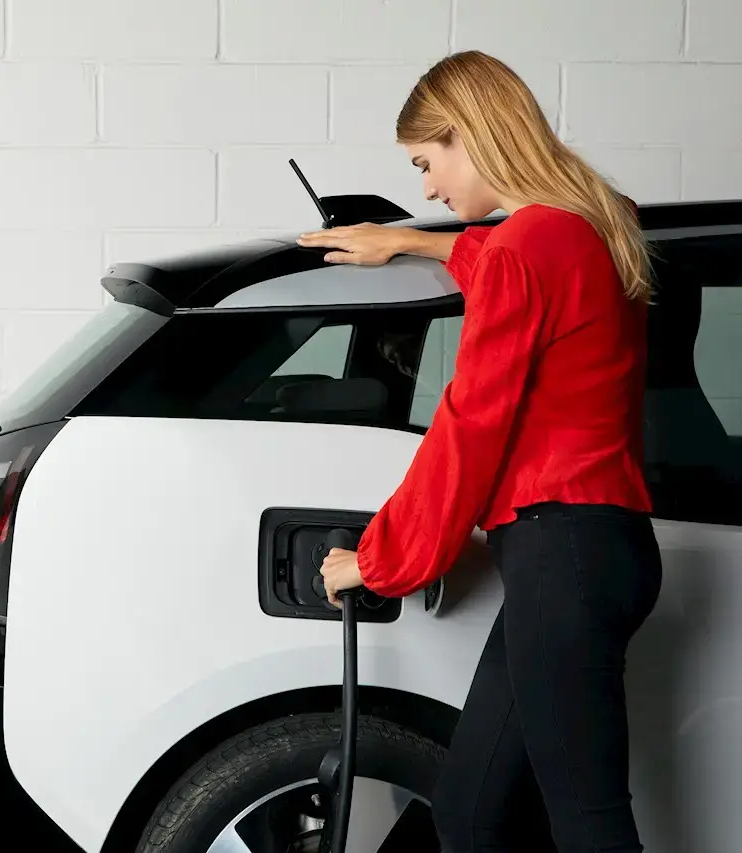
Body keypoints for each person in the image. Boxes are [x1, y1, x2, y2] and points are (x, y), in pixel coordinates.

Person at [299, 51, 663, 853]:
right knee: (469, 814)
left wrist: (384, 556)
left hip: (559, 554)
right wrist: (411, 242)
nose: (429, 188)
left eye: (428, 163)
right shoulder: (598, 222)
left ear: (473, 135)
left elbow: (469, 424)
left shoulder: (529, 249)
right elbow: (506, 263)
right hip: (597, 550)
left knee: (589, 823)